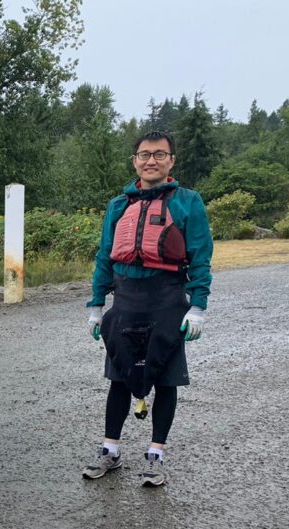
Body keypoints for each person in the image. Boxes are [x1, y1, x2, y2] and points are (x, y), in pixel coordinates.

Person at [83, 130, 214, 487]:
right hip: (126, 299)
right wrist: (97, 305)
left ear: (171, 160)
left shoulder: (189, 202)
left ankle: (156, 456)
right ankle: (110, 450)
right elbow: (104, 257)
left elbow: (200, 257)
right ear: (135, 161)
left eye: (159, 154)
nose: (150, 160)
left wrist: (198, 306)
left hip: (168, 300)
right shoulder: (117, 205)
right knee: (119, 378)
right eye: (144, 155)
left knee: (166, 381)